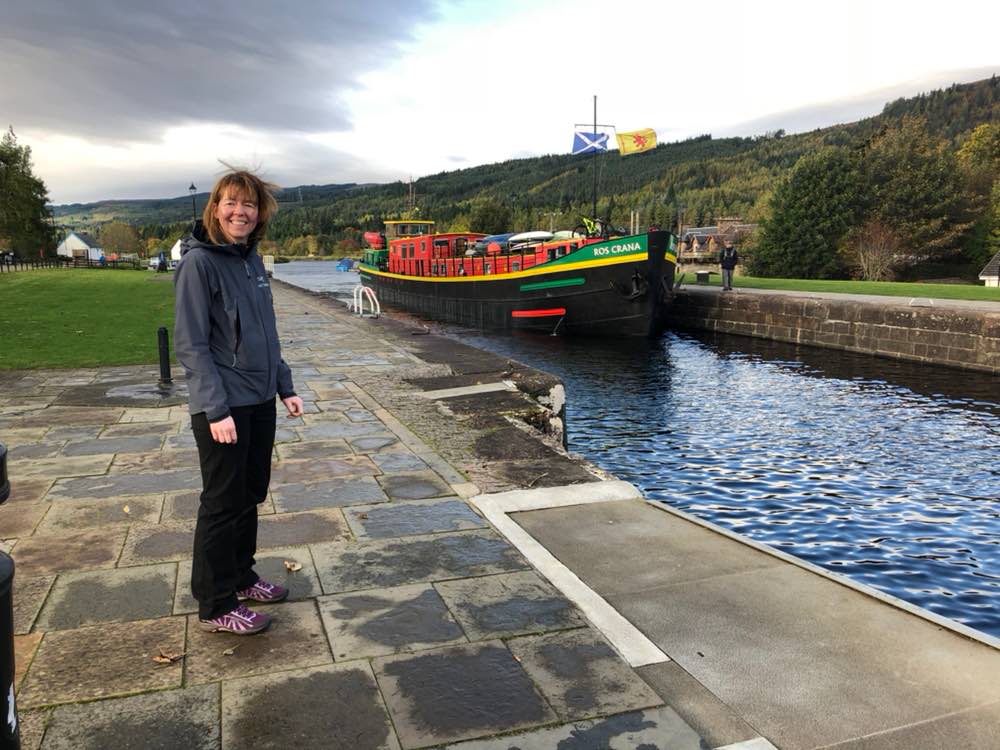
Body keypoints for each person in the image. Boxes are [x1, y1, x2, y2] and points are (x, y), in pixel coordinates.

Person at [174, 168, 304, 635]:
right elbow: (191, 345)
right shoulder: (199, 264)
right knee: (222, 502)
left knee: (250, 493)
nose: (239, 211)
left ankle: (241, 575)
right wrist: (216, 409)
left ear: (259, 212)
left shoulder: (251, 260)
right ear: (215, 208)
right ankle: (215, 603)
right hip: (223, 405)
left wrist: (284, 385)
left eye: (248, 204)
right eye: (230, 202)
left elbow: (266, 334)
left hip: (258, 399)